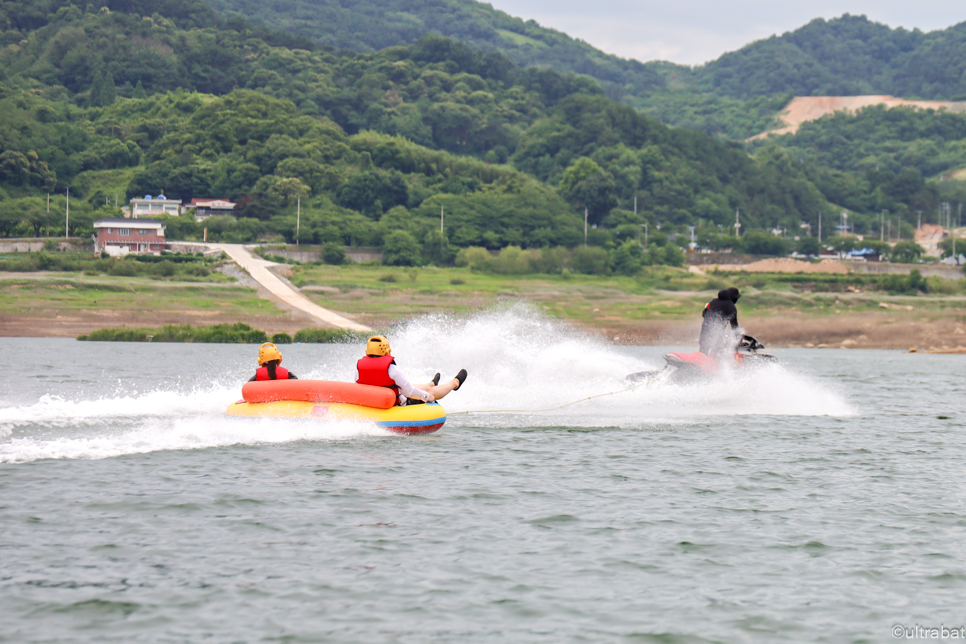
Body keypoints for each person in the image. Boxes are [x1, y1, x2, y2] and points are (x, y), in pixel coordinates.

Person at [356, 335, 466, 406]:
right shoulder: (392, 369)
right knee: (428, 392)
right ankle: (454, 383)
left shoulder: (359, 367)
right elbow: (409, 392)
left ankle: (431, 383)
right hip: (395, 403)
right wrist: (427, 397)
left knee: (407, 386)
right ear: (387, 350)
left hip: (377, 402)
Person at [699, 287, 741, 356]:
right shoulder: (731, 307)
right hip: (718, 332)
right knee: (718, 350)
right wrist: (738, 338)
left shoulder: (712, 302)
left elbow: (704, 314)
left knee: (703, 350)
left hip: (705, 329)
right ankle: (720, 364)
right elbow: (734, 326)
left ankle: (699, 362)